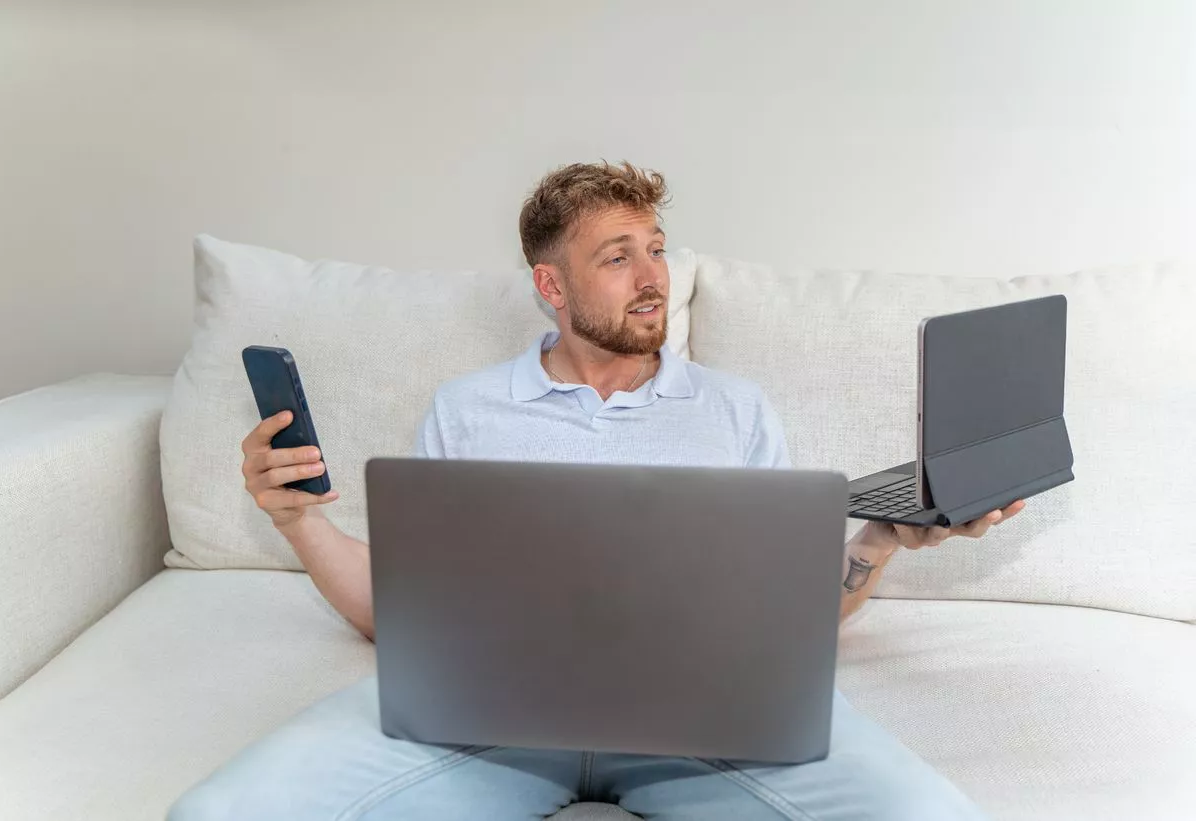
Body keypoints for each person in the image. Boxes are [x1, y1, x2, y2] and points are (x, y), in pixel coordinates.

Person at [169, 162, 1024, 821]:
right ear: (552, 287)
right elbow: (400, 614)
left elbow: (790, 619)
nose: (652, 277)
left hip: (708, 723)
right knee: (215, 813)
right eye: (618, 257)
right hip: (490, 722)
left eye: (655, 248)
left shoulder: (734, 409)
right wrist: (297, 520)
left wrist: (877, 541)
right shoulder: (466, 409)